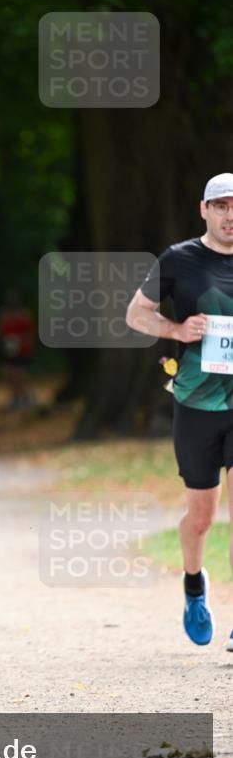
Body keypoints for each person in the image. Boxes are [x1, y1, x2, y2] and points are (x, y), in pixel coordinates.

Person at [126, 172, 233, 652]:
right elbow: (136, 314)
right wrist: (177, 329)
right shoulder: (180, 258)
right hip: (197, 400)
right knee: (202, 515)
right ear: (204, 210)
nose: (231, 216)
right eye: (222, 206)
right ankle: (194, 585)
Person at [0, 289, 37, 410]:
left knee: (20, 374)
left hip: (22, 350)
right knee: (9, 374)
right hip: (8, 349)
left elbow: (30, 333)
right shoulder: (3, 314)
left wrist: (25, 344)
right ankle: (16, 396)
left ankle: (27, 395)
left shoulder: (24, 314)